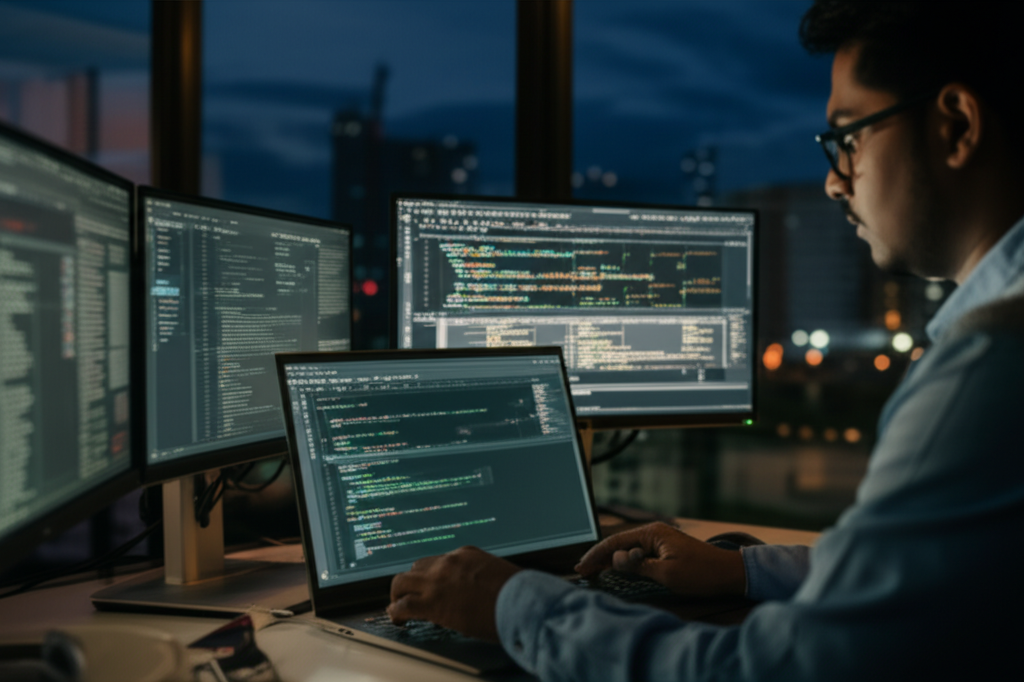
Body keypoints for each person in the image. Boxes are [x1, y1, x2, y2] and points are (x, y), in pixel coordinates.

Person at [387, 2, 1024, 679]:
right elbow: (911, 575)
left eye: (849, 137)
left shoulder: (989, 369)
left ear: (956, 126)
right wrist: (740, 569)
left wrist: (513, 607)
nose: (835, 180)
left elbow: (767, 672)